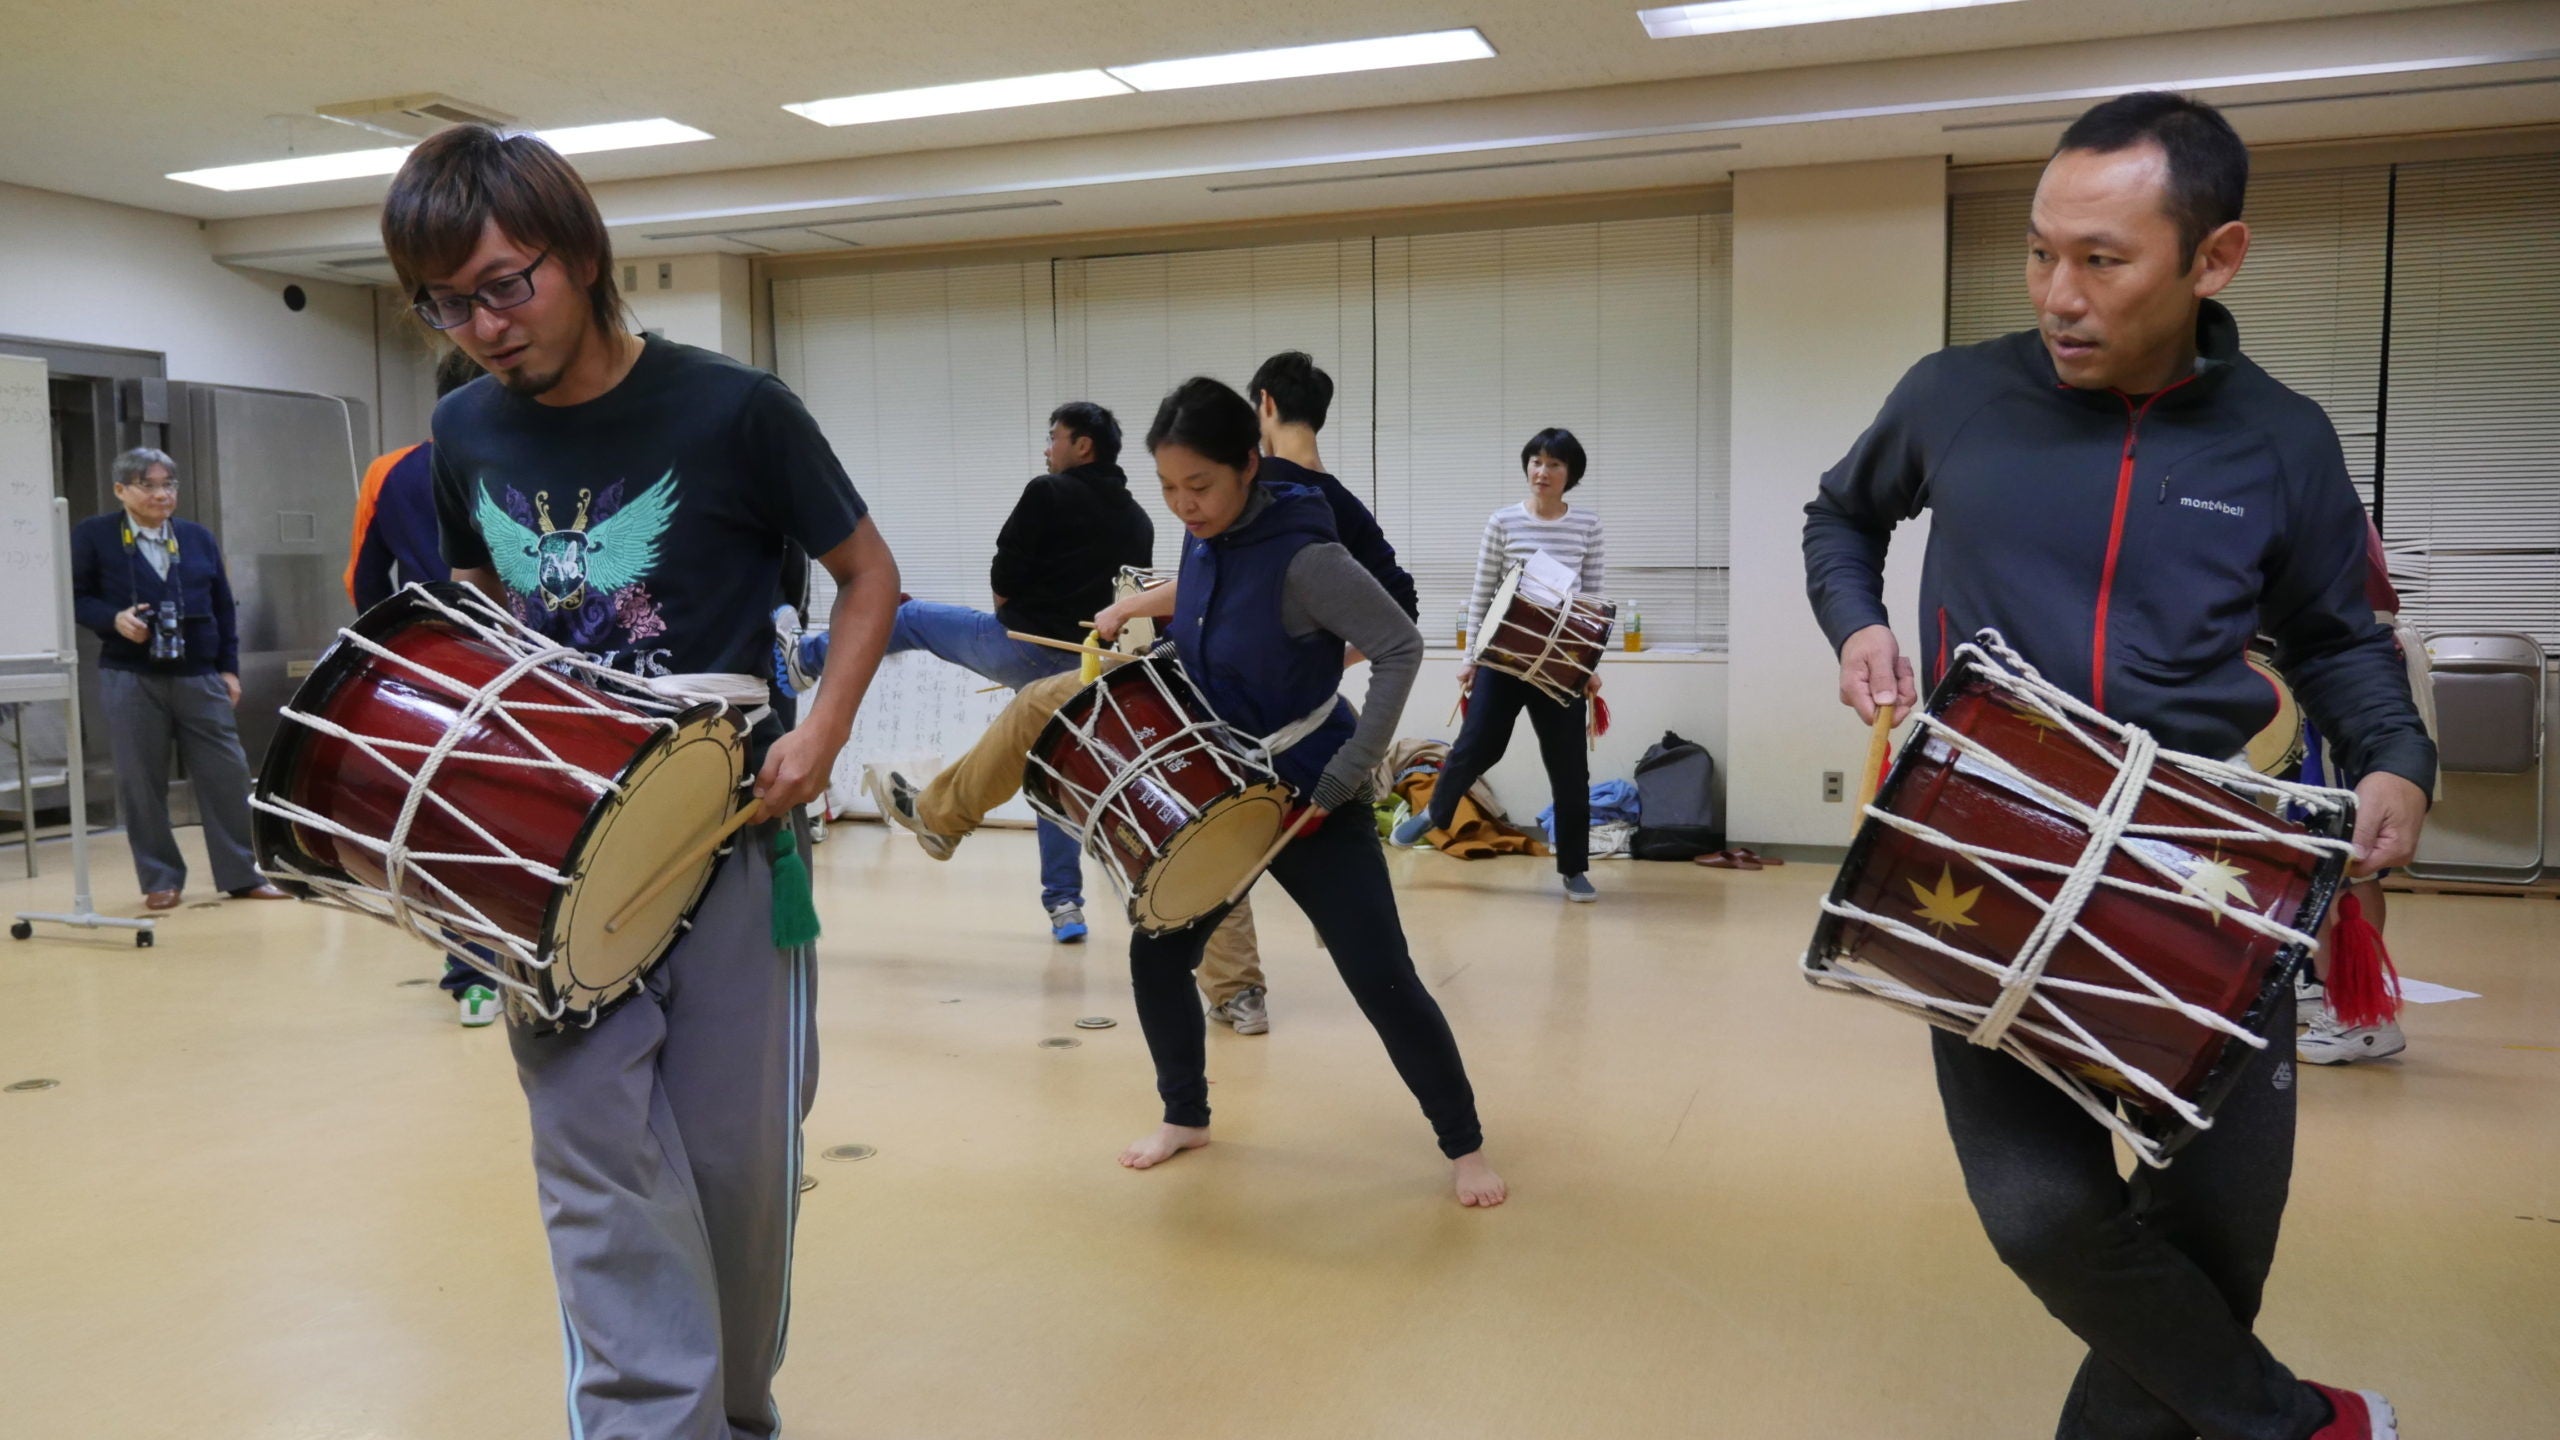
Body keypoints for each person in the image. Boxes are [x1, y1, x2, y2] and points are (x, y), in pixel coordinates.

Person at [1802, 93, 2430, 1440]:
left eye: (2102, 259)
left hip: (2206, 876)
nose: (2057, 295)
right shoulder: (1955, 395)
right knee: (2042, 1219)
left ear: (2215, 259)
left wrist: (2398, 759)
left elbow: (2337, 637)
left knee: (2214, 1242)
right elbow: (1841, 516)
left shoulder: (2282, 440)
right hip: (1987, 863)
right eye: (2039, 253)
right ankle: (2304, 1426)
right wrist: (1857, 621)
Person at [383, 124, 898, 1439]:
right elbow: (486, 609)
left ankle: (737, 1415)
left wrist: (824, 728)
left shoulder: (736, 411)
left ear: (583, 252)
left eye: (509, 282)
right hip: (548, 867)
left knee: (739, 1172)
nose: (486, 324)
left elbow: (866, 577)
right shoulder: (460, 427)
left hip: (727, 841)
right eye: (448, 301)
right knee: (597, 1177)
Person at [1123, 376, 1501, 1205]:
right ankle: (1185, 1115)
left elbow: (1400, 646)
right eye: (1169, 490)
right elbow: (1210, 598)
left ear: (1247, 466)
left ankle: (1465, 1145)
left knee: (1381, 975)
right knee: (1157, 954)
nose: (1185, 505)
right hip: (1230, 791)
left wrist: (1350, 769)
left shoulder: (1308, 557)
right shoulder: (1203, 536)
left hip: (1311, 795)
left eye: (1200, 486)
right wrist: (1138, 624)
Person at [780, 400, 1149, 945]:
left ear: (1082, 445)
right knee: (1052, 769)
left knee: (906, 617)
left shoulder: (1048, 491)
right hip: (1083, 666)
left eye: (1054, 438)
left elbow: (1005, 569)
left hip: (1020, 646)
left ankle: (804, 660)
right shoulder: (1137, 517)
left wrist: (1006, 614)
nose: (1047, 449)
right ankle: (1065, 905)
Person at [349, 346, 504, 1024]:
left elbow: (362, 579)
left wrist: (398, 657)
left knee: (452, 815)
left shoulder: (391, 470)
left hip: (436, 666)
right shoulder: (525, 458)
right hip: (532, 660)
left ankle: (473, 971)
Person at [1389, 427, 1606, 903]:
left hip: (1559, 667)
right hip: (1502, 660)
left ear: (1570, 475)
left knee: (1570, 770)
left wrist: (1589, 665)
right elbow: (1482, 592)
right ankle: (1437, 813)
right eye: (1535, 461)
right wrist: (1470, 660)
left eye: (1552, 464)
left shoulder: (1586, 526)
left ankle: (1573, 869)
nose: (1541, 471)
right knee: (1475, 748)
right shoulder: (1503, 522)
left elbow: (1592, 603)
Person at [69, 448, 291, 911]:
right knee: (140, 780)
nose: (160, 494)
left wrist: (229, 668)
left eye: (168, 484)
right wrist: (113, 619)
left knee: (227, 776)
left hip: (200, 674)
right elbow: (75, 597)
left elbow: (223, 606)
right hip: (130, 674)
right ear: (120, 491)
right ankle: (160, 879)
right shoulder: (94, 536)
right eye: (147, 485)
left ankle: (242, 873)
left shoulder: (196, 537)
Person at [2296, 517, 2421, 1066]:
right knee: (2309, 843)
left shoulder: (2315, 502)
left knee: (2347, 847)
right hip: (2312, 676)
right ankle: (2328, 988)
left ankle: (2361, 1015)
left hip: (2339, 678)